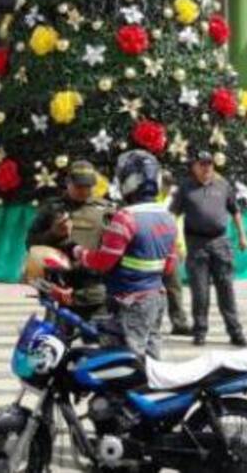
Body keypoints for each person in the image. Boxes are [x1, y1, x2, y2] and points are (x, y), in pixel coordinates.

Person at [75, 150, 178, 359]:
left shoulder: (126, 218)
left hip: (130, 301)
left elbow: (103, 262)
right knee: (151, 358)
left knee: (127, 361)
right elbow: (169, 266)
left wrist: (81, 253)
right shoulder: (168, 217)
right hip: (157, 299)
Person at [170, 151, 247, 347]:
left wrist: (242, 235)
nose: (206, 168)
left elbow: (235, 211)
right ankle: (200, 331)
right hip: (196, 245)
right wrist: (173, 242)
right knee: (200, 292)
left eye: (209, 164)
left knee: (226, 290)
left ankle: (235, 332)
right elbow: (173, 215)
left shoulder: (223, 186)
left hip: (220, 243)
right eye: (202, 164)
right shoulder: (186, 188)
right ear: (194, 167)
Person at [26, 160, 113, 320]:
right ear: (68, 183)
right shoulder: (52, 208)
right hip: (59, 290)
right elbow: (31, 245)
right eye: (79, 186)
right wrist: (53, 234)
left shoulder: (106, 211)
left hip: (95, 292)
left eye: (87, 186)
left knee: (102, 341)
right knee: (53, 341)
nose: (83, 191)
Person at [159, 170, 192, 337]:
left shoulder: (174, 200)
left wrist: (181, 248)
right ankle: (151, 325)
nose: (167, 187)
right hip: (154, 248)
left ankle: (179, 323)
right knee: (152, 289)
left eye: (169, 183)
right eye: (164, 183)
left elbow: (179, 225)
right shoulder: (151, 200)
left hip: (172, 250)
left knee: (174, 287)